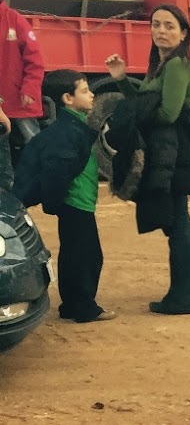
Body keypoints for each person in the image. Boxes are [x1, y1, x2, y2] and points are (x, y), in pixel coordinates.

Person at [105, 4, 190, 314]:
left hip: (172, 151)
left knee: (175, 222)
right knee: (181, 220)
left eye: (169, 25)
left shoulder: (178, 65)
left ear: (183, 33)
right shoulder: (164, 64)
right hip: (169, 150)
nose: (161, 31)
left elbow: (168, 113)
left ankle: (186, 297)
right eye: (156, 25)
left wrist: (135, 112)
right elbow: (147, 101)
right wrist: (122, 79)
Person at [14, 70, 114, 322]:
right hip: (75, 202)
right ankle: (83, 307)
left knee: (75, 253)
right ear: (68, 98)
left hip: (77, 202)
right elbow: (57, 172)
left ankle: (72, 304)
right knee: (87, 256)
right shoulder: (68, 132)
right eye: (84, 91)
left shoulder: (73, 126)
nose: (91, 95)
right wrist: (54, 203)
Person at [0, 0, 45, 192]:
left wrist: (29, 88)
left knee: (34, 141)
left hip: (17, 97)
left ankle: (46, 179)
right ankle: (7, 186)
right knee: (2, 147)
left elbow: (35, 60)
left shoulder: (15, 20)